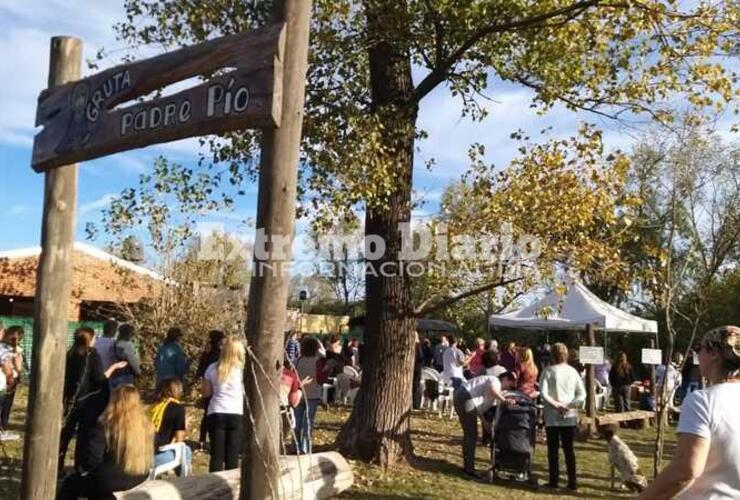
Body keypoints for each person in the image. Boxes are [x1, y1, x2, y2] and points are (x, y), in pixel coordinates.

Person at [637, 326, 740, 500]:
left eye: (699, 349)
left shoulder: (703, 400)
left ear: (714, 353)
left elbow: (685, 471)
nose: (697, 356)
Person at [59, 385, 153, 500]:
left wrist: (84, 469)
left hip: (111, 480)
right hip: (140, 474)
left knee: (69, 484)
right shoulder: (146, 425)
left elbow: (93, 459)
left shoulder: (105, 424)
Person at [59, 327, 128, 470]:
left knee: (66, 433)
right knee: (83, 436)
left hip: (71, 399)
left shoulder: (70, 354)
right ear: (90, 339)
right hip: (88, 401)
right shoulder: (92, 355)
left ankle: (58, 462)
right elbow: (99, 378)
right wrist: (114, 367)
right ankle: (80, 466)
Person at [539, 342, 586, 491]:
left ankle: (554, 480)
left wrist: (556, 404)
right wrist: (570, 405)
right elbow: (582, 394)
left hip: (552, 415)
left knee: (553, 449)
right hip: (569, 415)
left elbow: (543, 393)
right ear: (566, 355)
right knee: (569, 450)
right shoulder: (573, 372)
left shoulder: (548, 371)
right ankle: (573, 482)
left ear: (552, 355)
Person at [453, 366, 511, 479]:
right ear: (505, 379)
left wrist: (484, 422)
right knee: (471, 435)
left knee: (470, 434)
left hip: (464, 398)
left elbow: (477, 407)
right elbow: (492, 390)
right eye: (510, 384)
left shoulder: (493, 391)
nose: (508, 388)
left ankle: (467, 466)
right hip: (465, 397)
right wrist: (504, 400)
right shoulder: (495, 381)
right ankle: (469, 469)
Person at [201, 335, 245, 472]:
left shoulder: (212, 368)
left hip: (216, 411)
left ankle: (213, 486)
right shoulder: (242, 371)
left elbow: (206, 393)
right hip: (236, 413)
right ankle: (230, 488)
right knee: (232, 456)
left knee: (216, 456)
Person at [150, 377, 192, 476]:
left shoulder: (152, 407)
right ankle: (184, 483)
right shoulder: (178, 408)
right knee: (186, 451)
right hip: (157, 458)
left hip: (142, 457)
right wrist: (185, 425)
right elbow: (180, 441)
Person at [196, 329, 226, 448]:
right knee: (215, 414)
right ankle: (214, 440)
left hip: (206, 383)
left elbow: (200, 370)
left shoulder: (206, 353)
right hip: (217, 384)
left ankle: (202, 439)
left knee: (206, 414)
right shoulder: (220, 354)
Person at [294, 336, 322, 454]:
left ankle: (295, 445)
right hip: (313, 394)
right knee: (308, 422)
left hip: (299, 393)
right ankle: (305, 447)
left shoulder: (298, 361)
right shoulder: (318, 362)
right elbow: (321, 378)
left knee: (297, 421)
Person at [601, 424, 647, 492]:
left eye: (605, 437)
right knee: (629, 480)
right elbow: (613, 455)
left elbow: (626, 454)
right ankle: (637, 489)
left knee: (635, 480)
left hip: (629, 465)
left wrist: (631, 467)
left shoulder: (618, 444)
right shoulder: (611, 443)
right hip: (623, 466)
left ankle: (641, 490)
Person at [0, 325, 24, 429]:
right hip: (4, 381)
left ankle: (3, 428)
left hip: (11, 382)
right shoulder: (2, 347)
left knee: (6, 407)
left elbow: (19, 367)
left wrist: (17, 376)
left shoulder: (18, 350)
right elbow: (8, 367)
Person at [109, 324, 142, 389]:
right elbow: (132, 361)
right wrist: (138, 372)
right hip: (124, 376)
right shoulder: (127, 345)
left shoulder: (113, 344)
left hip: (113, 375)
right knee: (125, 397)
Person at [413, 331, 425, 409]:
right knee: (416, 386)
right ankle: (415, 404)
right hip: (416, 368)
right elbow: (421, 357)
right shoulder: (417, 346)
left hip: (415, 368)